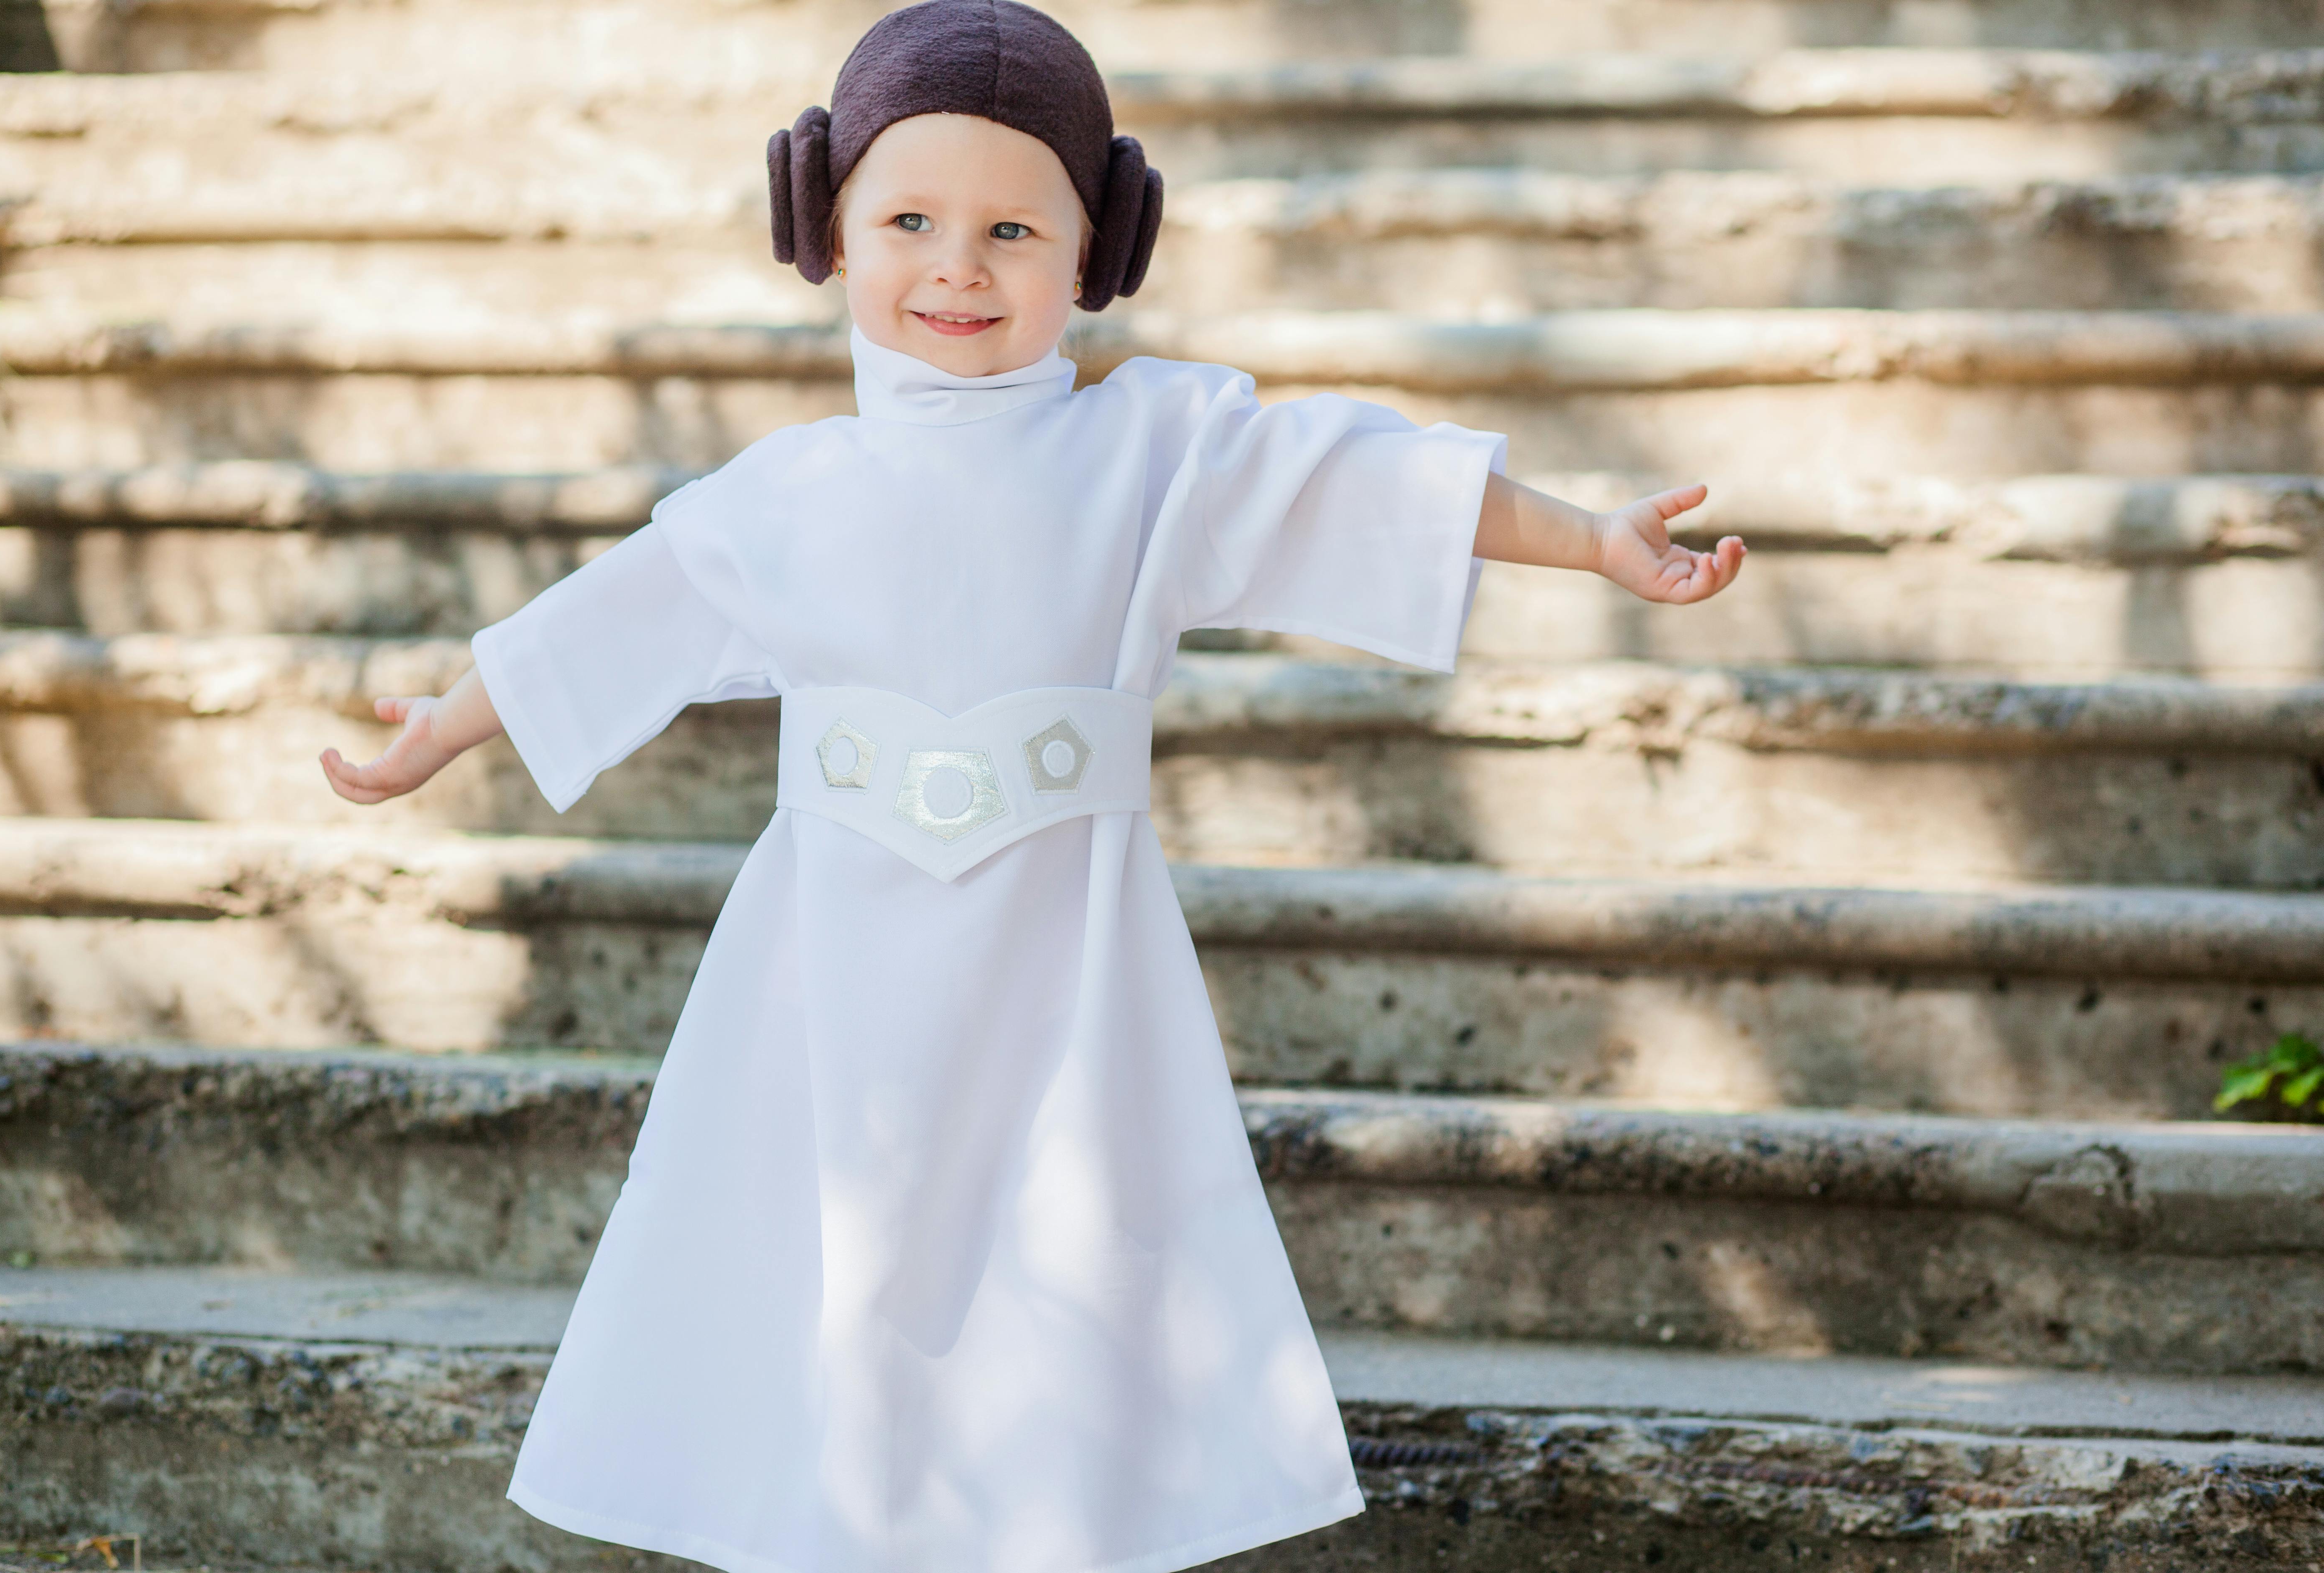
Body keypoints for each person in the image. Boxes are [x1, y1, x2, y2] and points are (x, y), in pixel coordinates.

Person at [319, 3, 1745, 1569]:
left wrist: (1590, 537)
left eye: (1013, 228)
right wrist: (443, 726)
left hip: (1066, 971)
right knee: (840, 1268)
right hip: (834, 975)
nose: (959, 267)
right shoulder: (784, 494)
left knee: (1063, 1279)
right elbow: (617, 622)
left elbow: (1359, 475)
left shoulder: (1153, 454)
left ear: (1095, 249)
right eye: (909, 220)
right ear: (827, 227)